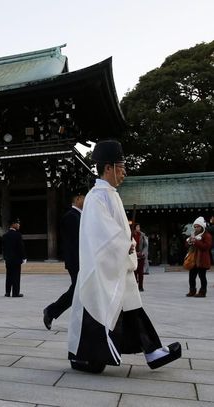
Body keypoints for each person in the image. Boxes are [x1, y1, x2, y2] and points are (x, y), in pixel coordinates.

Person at [68, 139, 181, 374]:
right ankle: (84, 357)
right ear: (108, 167)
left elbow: (117, 231)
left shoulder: (111, 194)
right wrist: (124, 244)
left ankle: (151, 350)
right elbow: (103, 234)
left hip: (118, 263)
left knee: (131, 306)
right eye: (121, 166)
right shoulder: (96, 197)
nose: (125, 172)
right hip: (103, 267)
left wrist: (127, 242)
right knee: (101, 310)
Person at [43, 193, 84, 329]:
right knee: (78, 291)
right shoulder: (71, 216)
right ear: (78, 198)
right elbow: (75, 243)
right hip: (77, 261)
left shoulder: (79, 216)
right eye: (85, 198)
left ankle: (52, 311)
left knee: (80, 291)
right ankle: (51, 311)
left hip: (81, 261)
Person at [185, 216, 211, 297]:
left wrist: (195, 241)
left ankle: (202, 292)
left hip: (202, 260)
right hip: (193, 259)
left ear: (202, 226)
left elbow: (206, 247)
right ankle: (192, 290)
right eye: (195, 226)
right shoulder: (193, 234)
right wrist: (189, 241)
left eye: (198, 226)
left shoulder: (207, 235)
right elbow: (186, 245)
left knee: (202, 277)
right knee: (191, 277)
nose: (196, 228)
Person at [2, 218, 26, 297]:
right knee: (16, 276)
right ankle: (15, 293)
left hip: (8, 259)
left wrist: (5, 257)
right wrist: (23, 257)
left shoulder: (5, 235)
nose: (19, 225)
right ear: (13, 224)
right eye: (17, 223)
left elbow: (3, 248)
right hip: (16, 259)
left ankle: (7, 292)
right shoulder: (18, 235)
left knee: (8, 275)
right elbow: (20, 247)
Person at [132, 223, 148, 291]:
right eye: (137, 227)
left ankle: (140, 286)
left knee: (141, 272)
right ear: (135, 228)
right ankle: (135, 286)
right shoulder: (131, 235)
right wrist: (133, 252)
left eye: (139, 227)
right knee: (134, 272)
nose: (139, 228)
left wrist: (143, 252)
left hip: (141, 255)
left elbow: (145, 245)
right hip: (134, 254)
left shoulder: (142, 235)